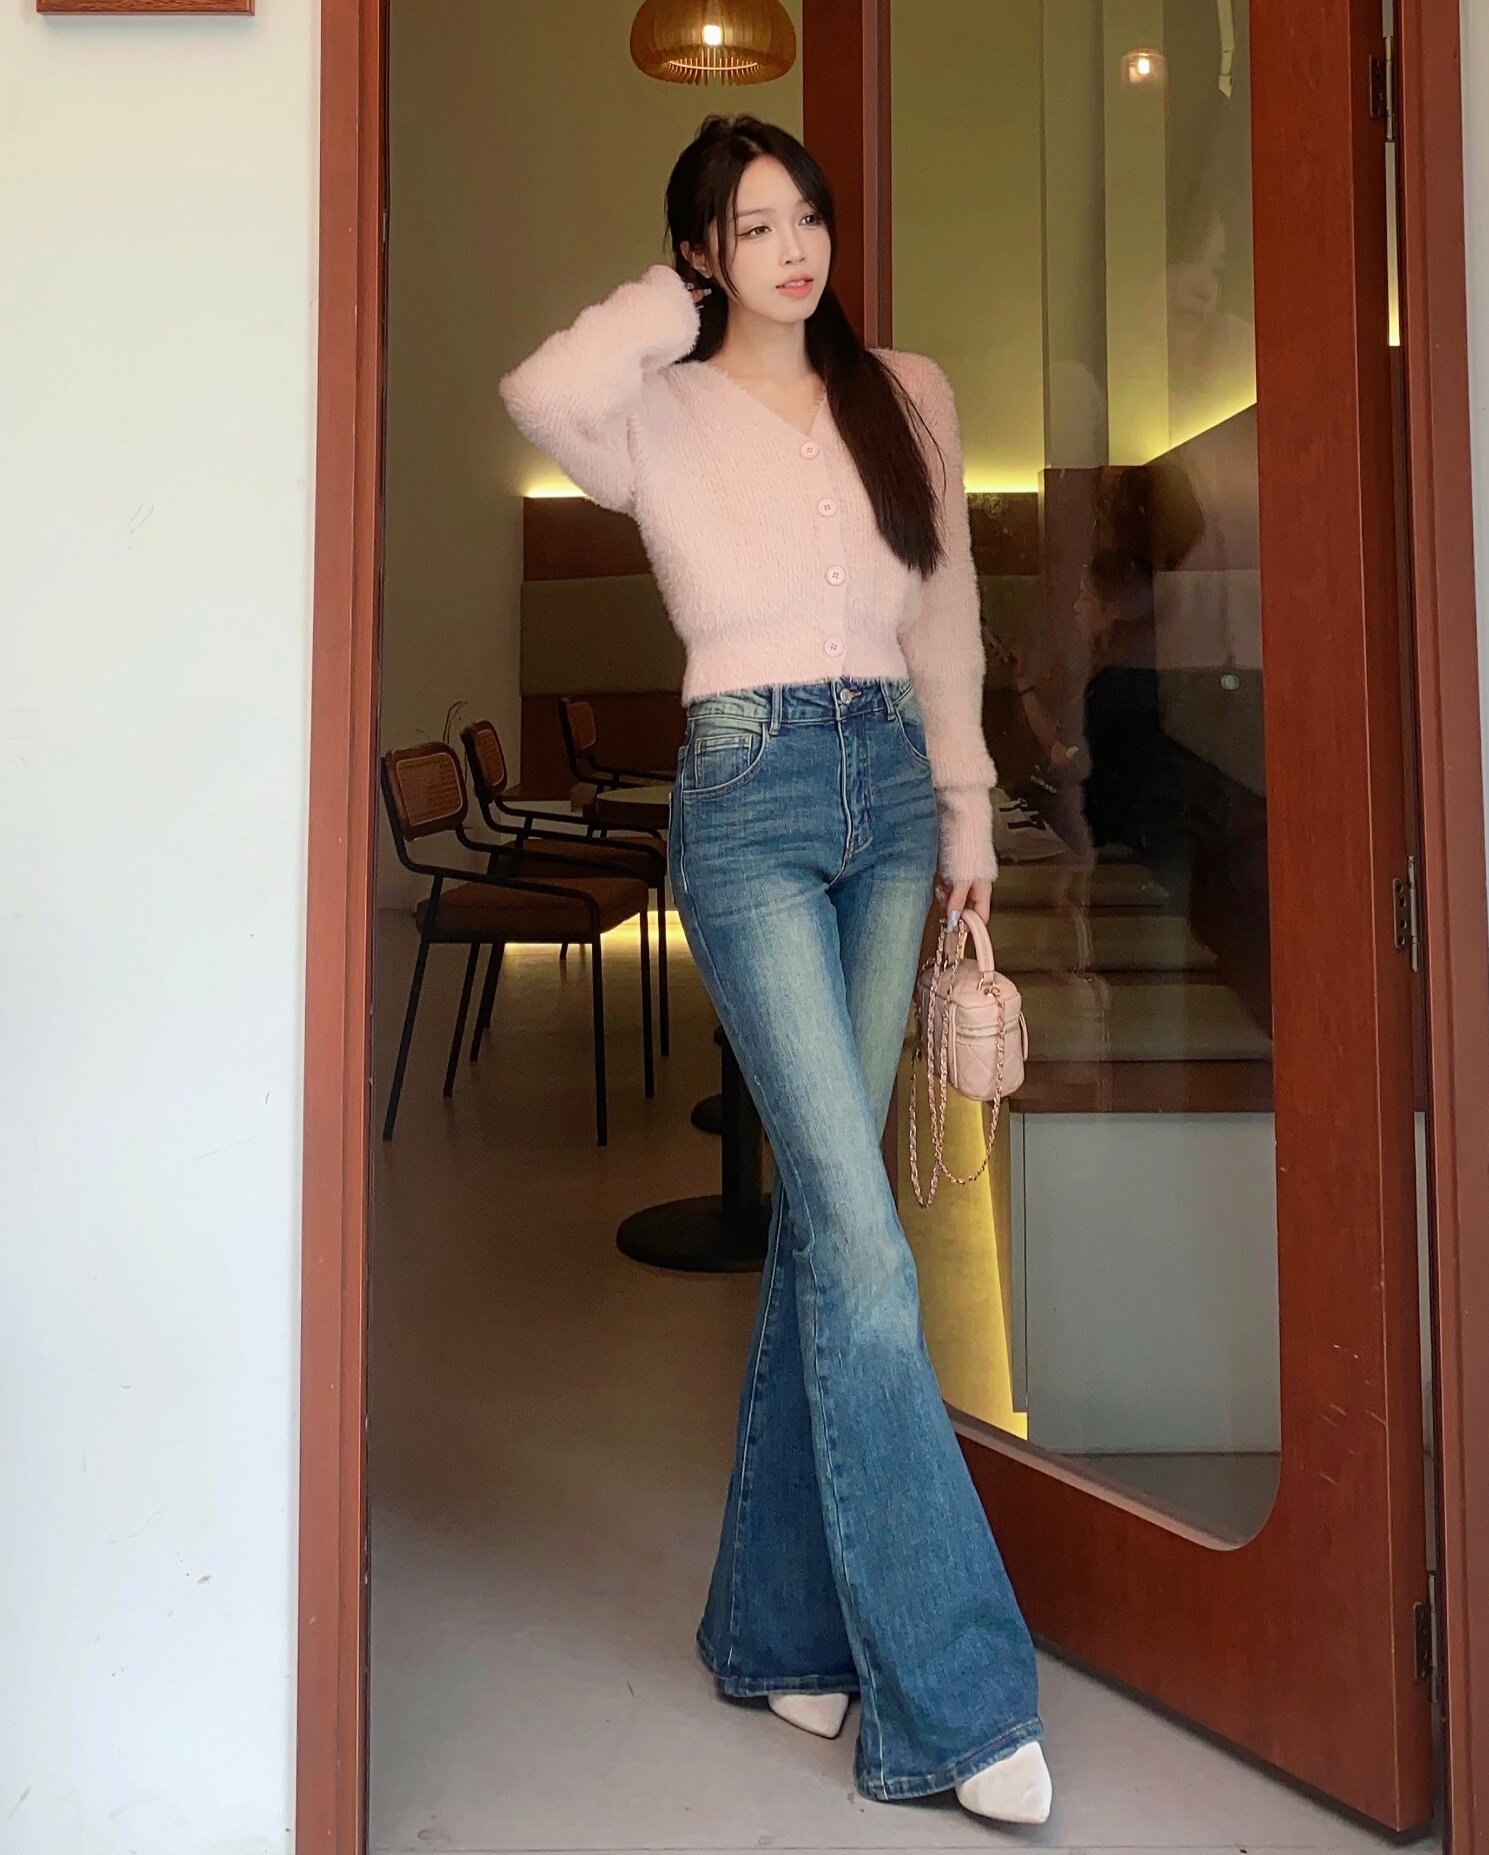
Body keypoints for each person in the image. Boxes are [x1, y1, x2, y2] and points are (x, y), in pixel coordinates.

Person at [499, 115, 1051, 1823]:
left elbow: (943, 615)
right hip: (743, 798)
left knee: (828, 1224)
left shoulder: (907, 393)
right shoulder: (652, 412)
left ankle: (779, 1633)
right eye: (749, 228)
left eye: (803, 216)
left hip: (888, 784)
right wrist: (669, 309)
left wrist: (963, 809)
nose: (793, 249)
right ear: (698, 254)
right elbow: (537, 388)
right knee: (869, 1249)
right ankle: (957, 1704)